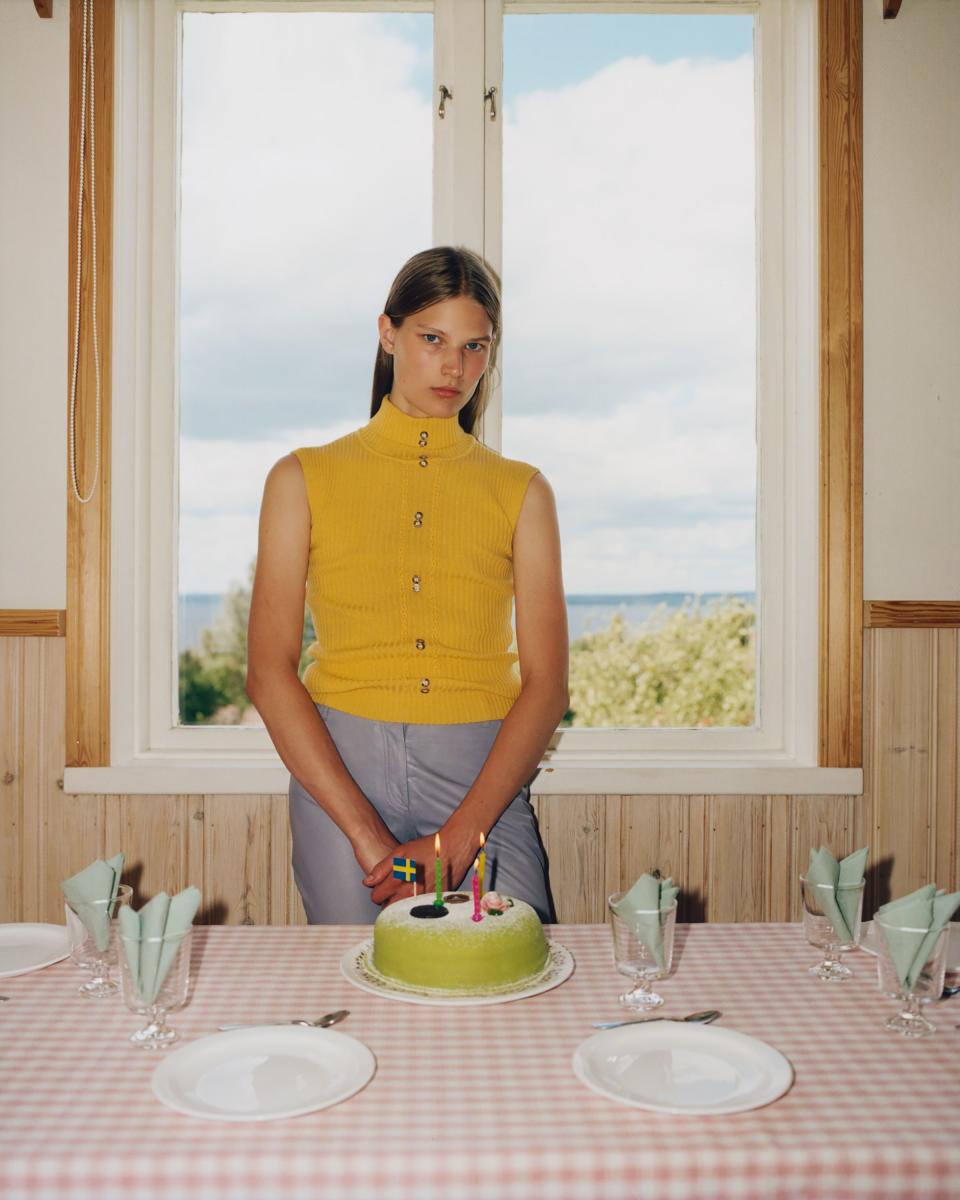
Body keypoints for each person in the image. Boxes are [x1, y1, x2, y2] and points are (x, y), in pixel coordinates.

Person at [246, 246, 568, 924]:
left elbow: (547, 686)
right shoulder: (301, 479)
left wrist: (455, 844)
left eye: (475, 347)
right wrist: (368, 837)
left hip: (480, 783)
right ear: (388, 334)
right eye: (433, 340)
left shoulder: (523, 493)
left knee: (512, 975)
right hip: (343, 780)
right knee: (361, 980)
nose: (455, 368)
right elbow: (268, 674)